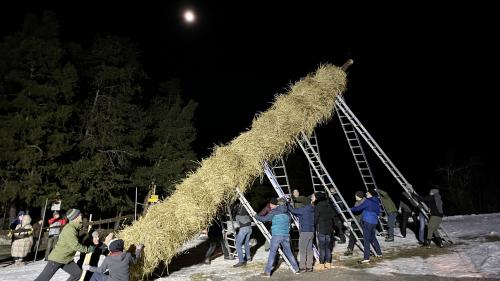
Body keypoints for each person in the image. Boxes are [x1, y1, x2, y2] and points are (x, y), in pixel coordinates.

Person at [34, 209, 97, 281]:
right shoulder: (70, 230)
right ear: (75, 217)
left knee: (77, 273)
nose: (81, 216)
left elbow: (79, 238)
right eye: (79, 215)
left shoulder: (75, 227)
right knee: (43, 279)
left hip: (67, 258)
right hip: (57, 258)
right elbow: (75, 245)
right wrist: (88, 249)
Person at [255, 197, 300, 277]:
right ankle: (296, 268)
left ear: (278, 204)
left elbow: (264, 219)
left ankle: (267, 272)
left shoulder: (274, 212)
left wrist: (256, 216)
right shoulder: (288, 213)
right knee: (289, 253)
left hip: (276, 235)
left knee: (272, 253)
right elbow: (289, 224)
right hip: (286, 235)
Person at [351, 189, 383, 264]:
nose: (366, 194)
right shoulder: (376, 201)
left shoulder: (368, 201)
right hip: (374, 221)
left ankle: (366, 258)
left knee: (366, 240)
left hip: (368, 221)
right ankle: (379, 253)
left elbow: (358, 208)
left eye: (367, 193)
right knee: (373, 238)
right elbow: (378, 212)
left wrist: (349, 208)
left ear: (371, 194)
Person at [287, 194, 315, 272]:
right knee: (309, 249)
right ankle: (309, 266)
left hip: (305, 231)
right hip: (311, 231)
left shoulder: (305, 209)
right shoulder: (313, 208)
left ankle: (302, 267)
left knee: (302, 249)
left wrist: (288, 204)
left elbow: (294, 211)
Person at [313, 191, 335, 271]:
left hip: (321, 229)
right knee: (328, 247)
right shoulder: (329, 205)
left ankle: (322, 264)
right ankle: (328, 263)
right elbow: (333, 215)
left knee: (322, 247)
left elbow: (315, 218)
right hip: (329, 229)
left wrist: (313, 226)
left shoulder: (318, 206)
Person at [344, 191, 365, 256]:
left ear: (359, 196)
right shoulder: (357, 202)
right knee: (352, 235)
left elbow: (358, 209)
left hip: (361, 221)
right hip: (355, 220)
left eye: (356, 196)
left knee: (362, 236)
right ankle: (349, 249)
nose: (355, 197)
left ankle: (367, 249)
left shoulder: (364, 201)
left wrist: (350, 209)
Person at [233, 203, 252, 267]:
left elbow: (238, 225)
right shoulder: (247, 215)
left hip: (244, 228)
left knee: (238, 244)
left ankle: (241, 261)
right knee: (246, 243)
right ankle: (248, 257)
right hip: (250, 228)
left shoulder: (237, 216)